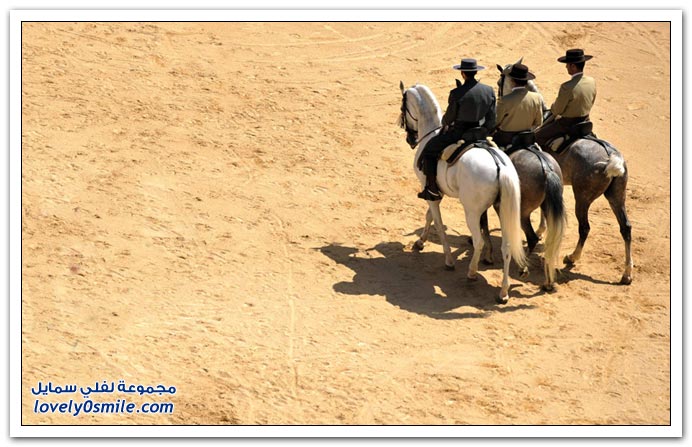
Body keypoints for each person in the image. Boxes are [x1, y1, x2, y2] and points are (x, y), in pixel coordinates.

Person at [417, 58, 496, 201]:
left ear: (463, 74)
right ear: (476, 72)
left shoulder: (457, 93)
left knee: (429, 150)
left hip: (458, 134)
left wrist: (445, 121)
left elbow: (449, 119)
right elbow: (491, 120)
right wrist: (484, 131)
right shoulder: (489, 91)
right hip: (480, 134)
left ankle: (432, 189)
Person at [535, 49, 597, 149]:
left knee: (537, 137)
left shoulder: (567, 87)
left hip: (567, 125)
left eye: (568, 64)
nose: (566, 66)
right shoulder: (591, 81)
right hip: (585, 121)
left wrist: (553, 107)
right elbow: (592, 100)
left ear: (573, 66)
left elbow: (557, 110)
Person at [493, 63, 543, 148]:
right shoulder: (537, 97)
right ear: (527, 81)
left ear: (512, 80)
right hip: (527, 138)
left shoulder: (505, 100)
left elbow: (496, 122)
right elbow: (539, 122)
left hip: (506, 139)